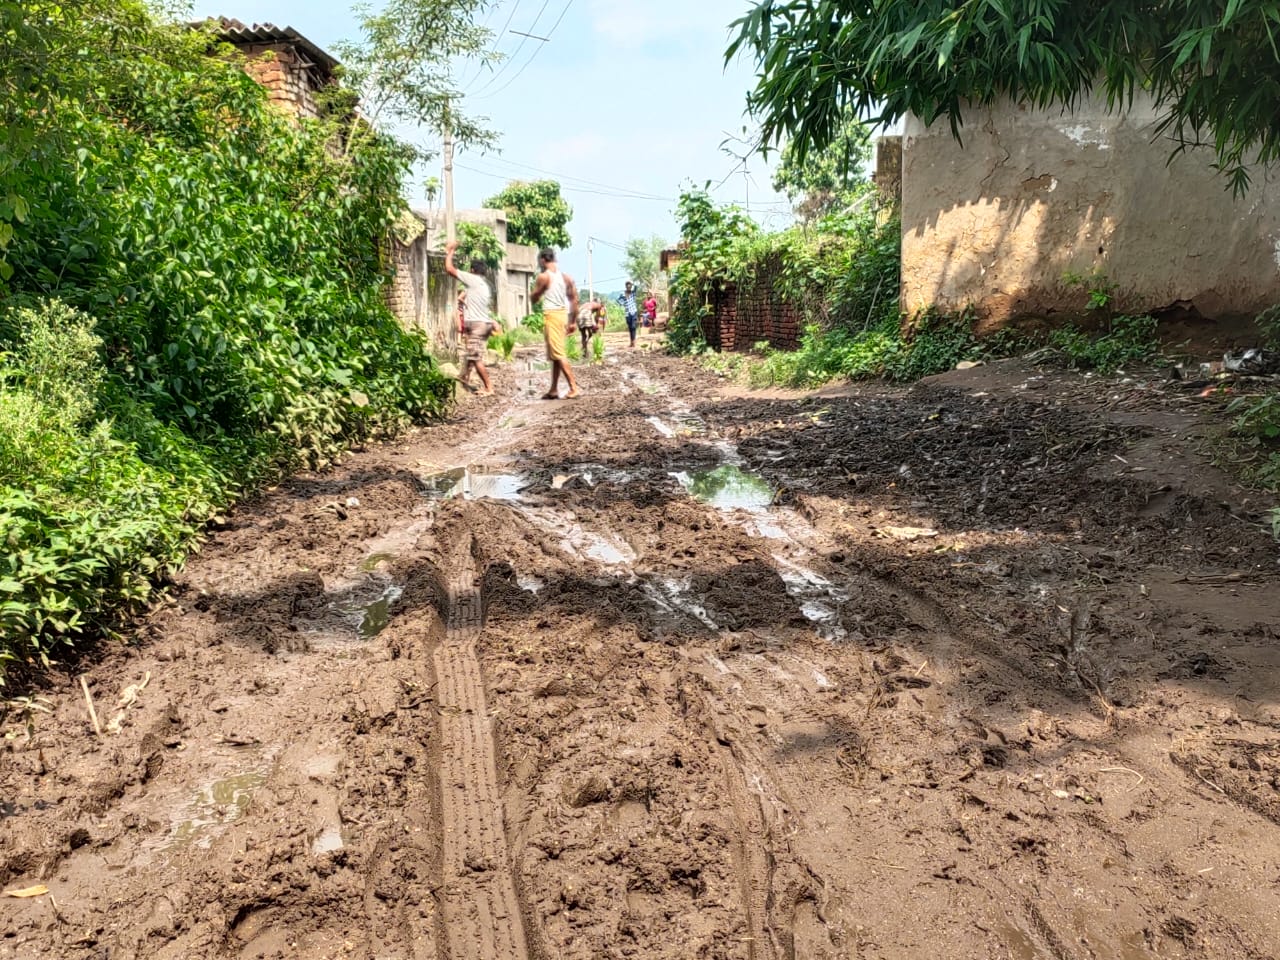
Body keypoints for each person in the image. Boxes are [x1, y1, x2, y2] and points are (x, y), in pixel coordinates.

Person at [444, 240, 502, 395]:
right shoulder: (484, 285)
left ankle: (489, 387)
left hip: (477, 325)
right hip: (484, 324)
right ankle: (464, 377)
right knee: (472, 352)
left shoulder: (473, 280)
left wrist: (450, 252)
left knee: (475, 357)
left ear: (472, 270)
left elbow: (449, 269)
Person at [530, 248, 580, 399]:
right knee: (555, 354)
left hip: (551, 316)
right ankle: (553, 389)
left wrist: (534, 294)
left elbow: (534, 298)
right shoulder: (565, 278)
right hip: (562, 315)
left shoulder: (544, 277)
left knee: (558, 353)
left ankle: (573, 387)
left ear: (543, 260)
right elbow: (574, 300)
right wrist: (572, 321)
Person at [616, 281, 639, 347]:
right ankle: (631, 342)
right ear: (626, 286)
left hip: (634, 311)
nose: (629, 287)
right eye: (628, 286)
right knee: (630, 328)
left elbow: (636, 286)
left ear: (631, 286)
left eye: (630, 286)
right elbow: (618, 300)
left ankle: (634, 342)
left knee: (633, 326)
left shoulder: (633, 293)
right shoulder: (623, 294)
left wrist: (632, 283)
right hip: (627, 313)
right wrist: (622, 303)